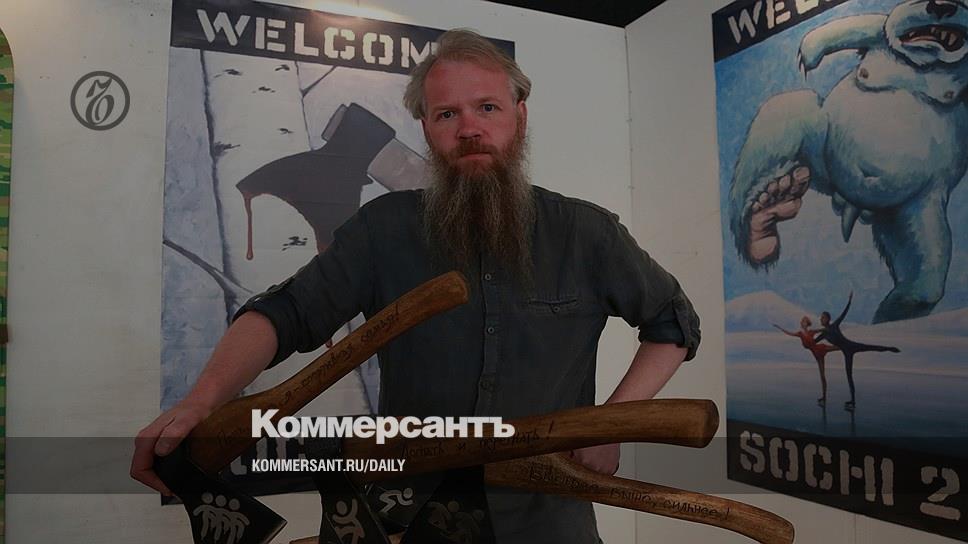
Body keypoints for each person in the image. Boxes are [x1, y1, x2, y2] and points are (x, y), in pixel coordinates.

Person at [131, 28, 700, 543]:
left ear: (519, 117)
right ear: (427, 129)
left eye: (487, 107)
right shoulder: (382, 231)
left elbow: (672, 323)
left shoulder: (585, 233)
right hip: (407, 519)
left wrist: (610, 424)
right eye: (447, 114)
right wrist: (202, 400)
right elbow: (286, 313)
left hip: (549, 521)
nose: (469, 128)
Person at [817, 292, 899, 411]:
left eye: (823, 317)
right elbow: (812, 342)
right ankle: (853, 401)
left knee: (871, 347)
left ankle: (890, 348)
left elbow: (844, 313)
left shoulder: (834, 325)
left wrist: (849, 301)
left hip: (851, 346)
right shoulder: (823, 334)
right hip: (846, 351)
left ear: (828, 319)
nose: (821, 319)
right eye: (821, 318)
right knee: (849, 376)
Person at [774, 316, 839, 406]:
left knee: (839, 347)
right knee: (822, 376)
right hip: (817, 354)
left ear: (807, 324)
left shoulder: (811, 332)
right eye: (802, 321)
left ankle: (847, 345)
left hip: (821, 348)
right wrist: (779, 328)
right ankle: (824, 398)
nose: (802, 322)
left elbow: (824, 329)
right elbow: (789, 333)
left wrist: (832, 328)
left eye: (804, 321)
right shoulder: (800, 334)